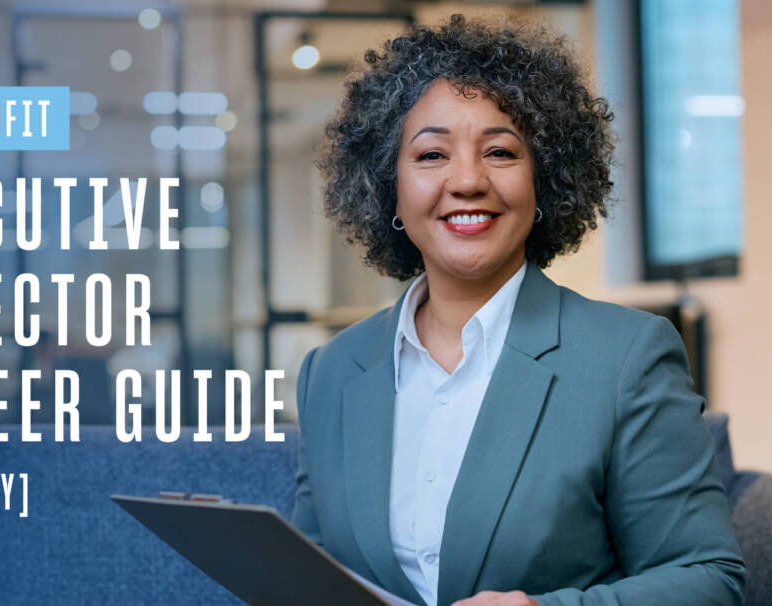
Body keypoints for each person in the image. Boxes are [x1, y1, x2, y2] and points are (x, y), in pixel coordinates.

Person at [291, 14, 746, 606]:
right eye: (431, 155)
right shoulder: (331, 371)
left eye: (500, 151)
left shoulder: (626, 358)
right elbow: (306, 571)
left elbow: (709, 580)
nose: (468, 180)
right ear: (388, 186)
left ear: (544, 183)